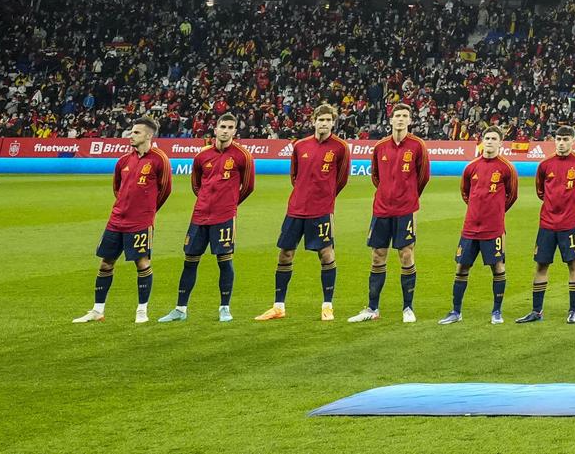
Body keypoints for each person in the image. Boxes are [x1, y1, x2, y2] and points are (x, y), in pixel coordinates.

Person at [73, 115, 171, 324]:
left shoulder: (159, 159)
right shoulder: (123, 161)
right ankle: (98, 310)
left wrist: (147, 210)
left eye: (136, 132)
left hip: (140, 222)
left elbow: (165, 189)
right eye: (131, 131)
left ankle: (142, 311)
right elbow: (118, 188)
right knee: (105, 263)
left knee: (142, 263)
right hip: (116, 220)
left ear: (148, 135)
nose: (131, 135)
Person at [157, 112, 253, 323]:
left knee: (224, 262)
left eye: (230, 127)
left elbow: (248, 187)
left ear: (235, 132)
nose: (226, 130)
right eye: (223, 126)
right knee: (189, 262)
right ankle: (180, 309)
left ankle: (224, 308)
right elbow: (196, 185)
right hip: (199, 216)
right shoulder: (201, 156)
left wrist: (230, 204)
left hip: (225, 216)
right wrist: (205, 201)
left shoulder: (243, 156)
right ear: (215, 129)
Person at [258, 105, 350, 322]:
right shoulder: (300, 146)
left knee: (326, 255)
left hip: (321, 211)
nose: (324, 123)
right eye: (321, 120)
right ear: (314, 121)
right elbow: (295, 176)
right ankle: (278, 306)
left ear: (333, 123)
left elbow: (342, 179)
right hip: (296, 209)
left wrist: (325, 197)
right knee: (285, 254)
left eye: (328, 120)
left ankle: (327, 305)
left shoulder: (340, 148)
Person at [349, 103, 429, 323]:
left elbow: (423, 177)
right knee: (377, 256)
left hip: (406, 210)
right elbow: (376, 177)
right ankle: (373, 308)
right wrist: (387, 193)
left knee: (406, 254)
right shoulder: (380, 146)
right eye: (397, 116)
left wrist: (408, 196)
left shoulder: (418, 146)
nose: (401, 119)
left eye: (405, 116)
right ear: (391, 120)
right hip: (382, 209)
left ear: (410, 120)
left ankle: (408, 308)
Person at [440, 127, 518, 324]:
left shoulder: (506, 168)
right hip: (470, 228)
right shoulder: (471, 167)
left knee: (498, 268)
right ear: (482, 141)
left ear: (500, 143)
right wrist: (477, 210)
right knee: (461, 267)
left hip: (493, 228)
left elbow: (512, 195)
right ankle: (456, 312)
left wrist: (496, 211)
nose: (490, 141)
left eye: (494, 138)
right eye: (487, 138)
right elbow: (465, 193)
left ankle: (497, 312)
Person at [520, 126, 575, 324]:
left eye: (565, 139)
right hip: (547, 224)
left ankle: (573, 311)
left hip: (570, 224)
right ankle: (536, 311)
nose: (561, 142)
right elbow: (541, 191)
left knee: (573, 264)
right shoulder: (545, 165)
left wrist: (570, 208)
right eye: (558, 139)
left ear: (573, 140)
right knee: (541, 264)